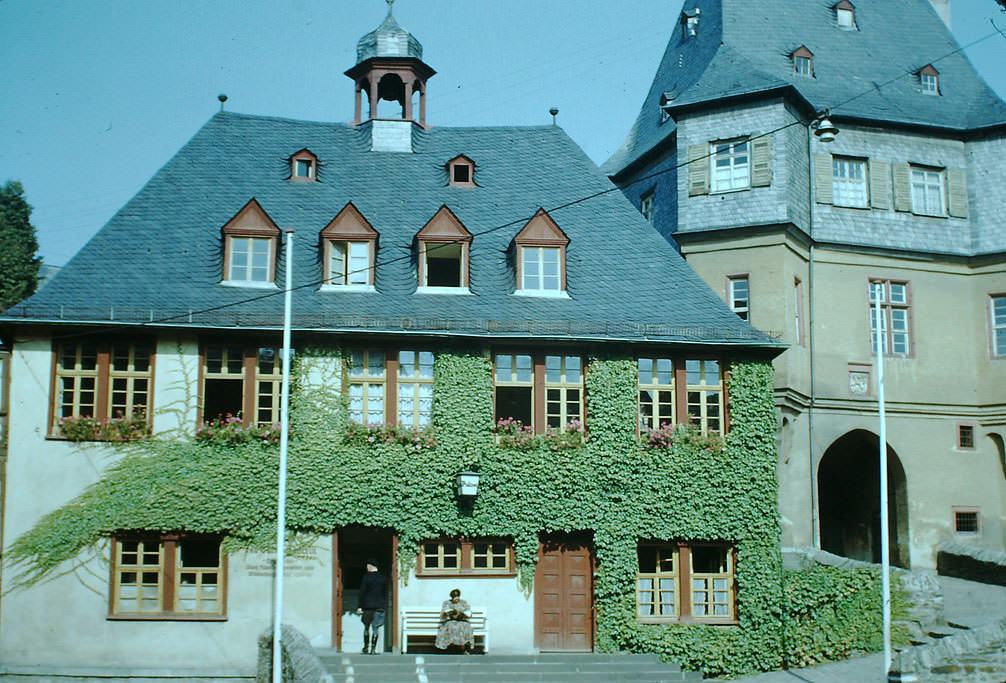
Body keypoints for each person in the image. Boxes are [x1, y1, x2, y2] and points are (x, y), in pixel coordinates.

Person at [355, 558, 387, 654]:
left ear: (370, 566)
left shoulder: (366, 577)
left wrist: (360, 606)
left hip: (367, 606)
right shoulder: (383, 578)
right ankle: (373, 649)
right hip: (379, 606)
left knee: (366, 627)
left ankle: (366, 647)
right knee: (375, 628)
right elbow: (385, 593)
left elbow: (362, 592)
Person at [435, 588, 474, 653]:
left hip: (462, 620)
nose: (456, 598)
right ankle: (451, 646)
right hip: (450, 620)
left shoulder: (464, 603)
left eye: (457, 596)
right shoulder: (447, 603)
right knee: (451, 626)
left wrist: (463, 614)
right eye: (454, 597)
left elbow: (468, 612)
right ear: (451, 597)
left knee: (465, 626)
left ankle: (464, 645)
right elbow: (443, 614)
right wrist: (449, 613)